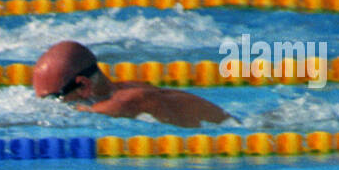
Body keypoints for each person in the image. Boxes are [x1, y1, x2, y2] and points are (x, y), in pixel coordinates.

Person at [33, 40, 231, 128]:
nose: (52, 105)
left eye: (53, 98)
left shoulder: (124, 102)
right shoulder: (123, 90)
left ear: (84, 86)